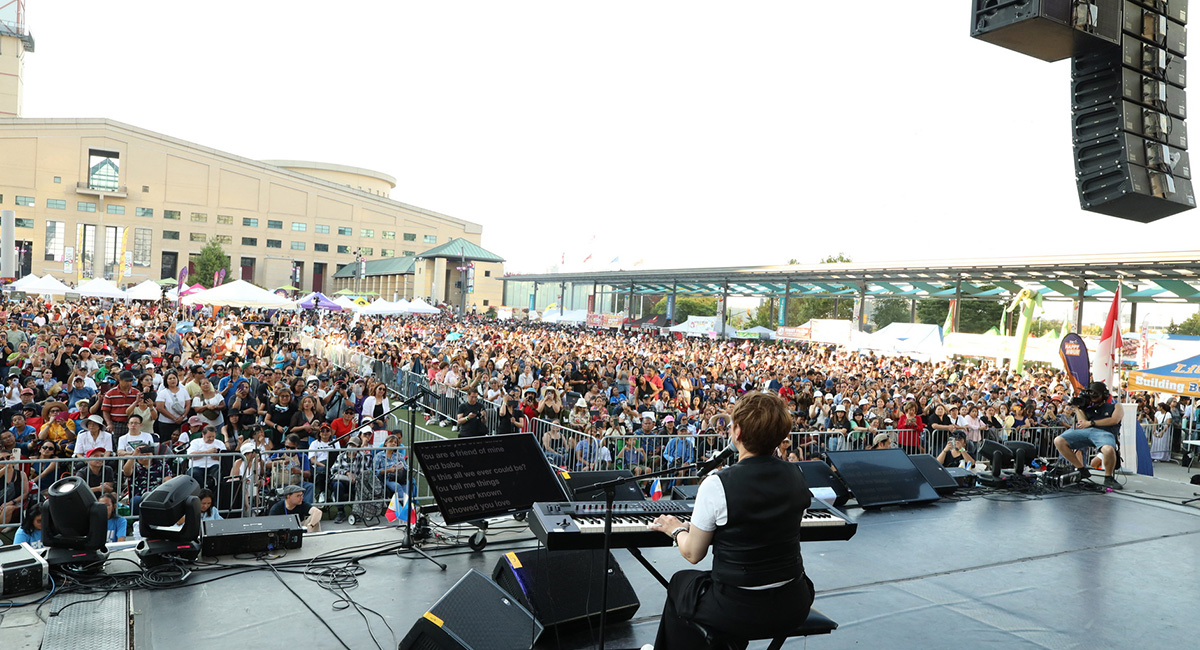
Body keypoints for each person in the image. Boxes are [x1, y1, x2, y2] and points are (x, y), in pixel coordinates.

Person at [646, 391, 813, 649]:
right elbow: (766, 526)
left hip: (738, 609)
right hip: (793, 602)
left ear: (736, 433)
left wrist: (677, 529)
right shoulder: (797, 473)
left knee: (681, 583)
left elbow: (693, 553)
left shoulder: (717, 483)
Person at [1053, 381, 1124, 490]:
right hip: (1086, 431)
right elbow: (1082, 422)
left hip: (1104, 432)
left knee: (1109, 449)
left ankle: (1108, 478)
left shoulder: (1116, 406)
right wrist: (1077, 408)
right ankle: (1081, 469)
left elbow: (1114, 420)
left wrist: (1092, 423)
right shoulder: (1087, 409)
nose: (1093, 396)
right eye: (1090, 393)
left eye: (1095, 393)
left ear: (1103, 394)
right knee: (1059, 441)